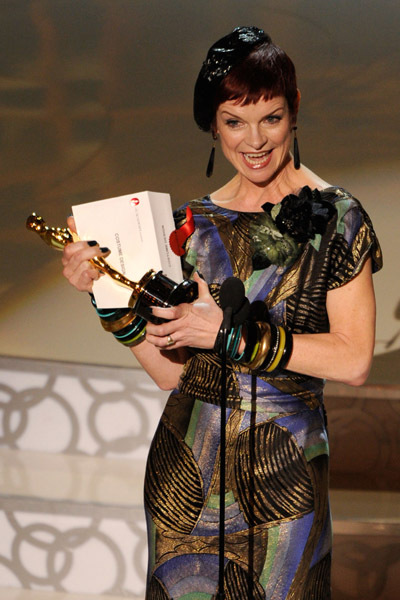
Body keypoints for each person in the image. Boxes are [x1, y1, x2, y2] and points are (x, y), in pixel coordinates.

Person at [62, 26, 382, 600]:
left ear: (295, 111)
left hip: (286, 483)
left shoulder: (339, 217)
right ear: (213, 123)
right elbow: (172, 372)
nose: (254, 140)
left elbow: (355, 358)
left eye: (271, 118)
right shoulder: (191, 226)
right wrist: (108, 300)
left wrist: (231, 334)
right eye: (235, 121)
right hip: (188, 480)